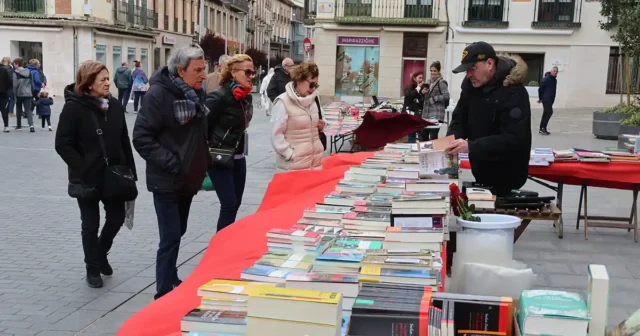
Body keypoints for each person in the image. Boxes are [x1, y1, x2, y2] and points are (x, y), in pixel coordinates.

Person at [132, 45, 210, 300]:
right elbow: (141, 137)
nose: (203, 74)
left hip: (188, 178)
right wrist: (172, 162)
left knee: (180, 230)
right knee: (170, 236)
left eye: (204, 68)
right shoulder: (158, 94)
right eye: (198, 70)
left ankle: (172, 276)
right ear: (180, 70)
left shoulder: (195, 94)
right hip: (167, 178)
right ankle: (162, 292)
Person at [54, 60, 137, 288]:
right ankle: (92, 268)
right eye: (102, 80)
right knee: (90, 224)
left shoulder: (115, 105)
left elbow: (123, 140)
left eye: (108, 78)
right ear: (89, 83)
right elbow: (63, 143)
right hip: (87, 178)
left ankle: (101, 253)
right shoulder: (74, 108)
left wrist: (131, 171)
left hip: (114, 175)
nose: (107, 83)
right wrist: (82, 168)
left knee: (117, 218)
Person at [445, 41, 532, 196]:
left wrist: (471, 146)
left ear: (489, 63)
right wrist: (451, 140)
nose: (469, 74)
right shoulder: (470, 85)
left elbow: (515, 139)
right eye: (466, 70)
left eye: (473, 68)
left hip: (509, 173)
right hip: (480, 170)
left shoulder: (514, 91)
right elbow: (460, 118)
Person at [205, 54, 254, 232]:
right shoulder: (219, 96)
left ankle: (225, 242)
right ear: (233, 72)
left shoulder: (245, 97)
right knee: (229, 203)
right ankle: (219, 249)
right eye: (247, 72)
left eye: (253, 73)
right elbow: (202, 125)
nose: (251, 76)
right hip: (220, 157)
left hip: (238, 156)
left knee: (235, 204)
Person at [271, 62, 324, 172]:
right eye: (311, 84)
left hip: (314, 164)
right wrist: (290, 154)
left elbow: (321, 120)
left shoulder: (314, 99)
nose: (313, 88)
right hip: (293, 167)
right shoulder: (283, 101)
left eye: (316, 85)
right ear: (299, 80)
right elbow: (276, 135)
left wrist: (321, 125)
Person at [422, 61, 450, 141]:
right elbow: (425, 96)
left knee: (433, 135)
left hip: (436, 113)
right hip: (426, 113)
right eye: (431, 70)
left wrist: (434, 98)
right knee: (423, 134)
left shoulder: (441, 82)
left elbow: (446, 96)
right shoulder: (428, 82)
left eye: (434, 71)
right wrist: (423, 92)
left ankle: (434, 152)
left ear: (438, 71)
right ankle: (426, 152)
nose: (432, 73)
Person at [12, 57, 35, 132]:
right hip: (28, 93)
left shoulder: (15, 73)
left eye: (14, 64)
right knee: (28, 110)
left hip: (19, 93)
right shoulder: (29, 72)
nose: (14, 65)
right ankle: (31, 125)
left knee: (18, 109)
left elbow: (15, 85)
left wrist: (14, 95)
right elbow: (32, 84)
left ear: (17, 64)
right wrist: (32, 92)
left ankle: (19, 126)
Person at [403, 71, 426, 143]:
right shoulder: (408, 88)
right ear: (414, 78)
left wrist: (422, 93)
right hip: (409, 115)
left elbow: (422, 102)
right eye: (419, 78)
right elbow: (409, 97)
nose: (421, 80)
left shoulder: (421, 89)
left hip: (418, 115)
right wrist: (418, 88)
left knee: (420, 136)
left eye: (422, 78)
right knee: (411, 136)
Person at [538, 66, 558, 136]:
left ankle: (542, 128)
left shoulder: (554, 80)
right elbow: (540, 89)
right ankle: (542, 128)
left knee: (546, 113)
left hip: (551, 99)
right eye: (554, 71)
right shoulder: (546, 79)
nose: (555, 72)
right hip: (546, 99)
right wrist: (540, 98)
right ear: (551, 71)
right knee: (549, 112)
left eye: (556, 71)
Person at [0, 57, 11, 132]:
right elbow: (8, 82)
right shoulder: (3, 70)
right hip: (3, 92)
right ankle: (6, 126)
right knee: (4, 109)